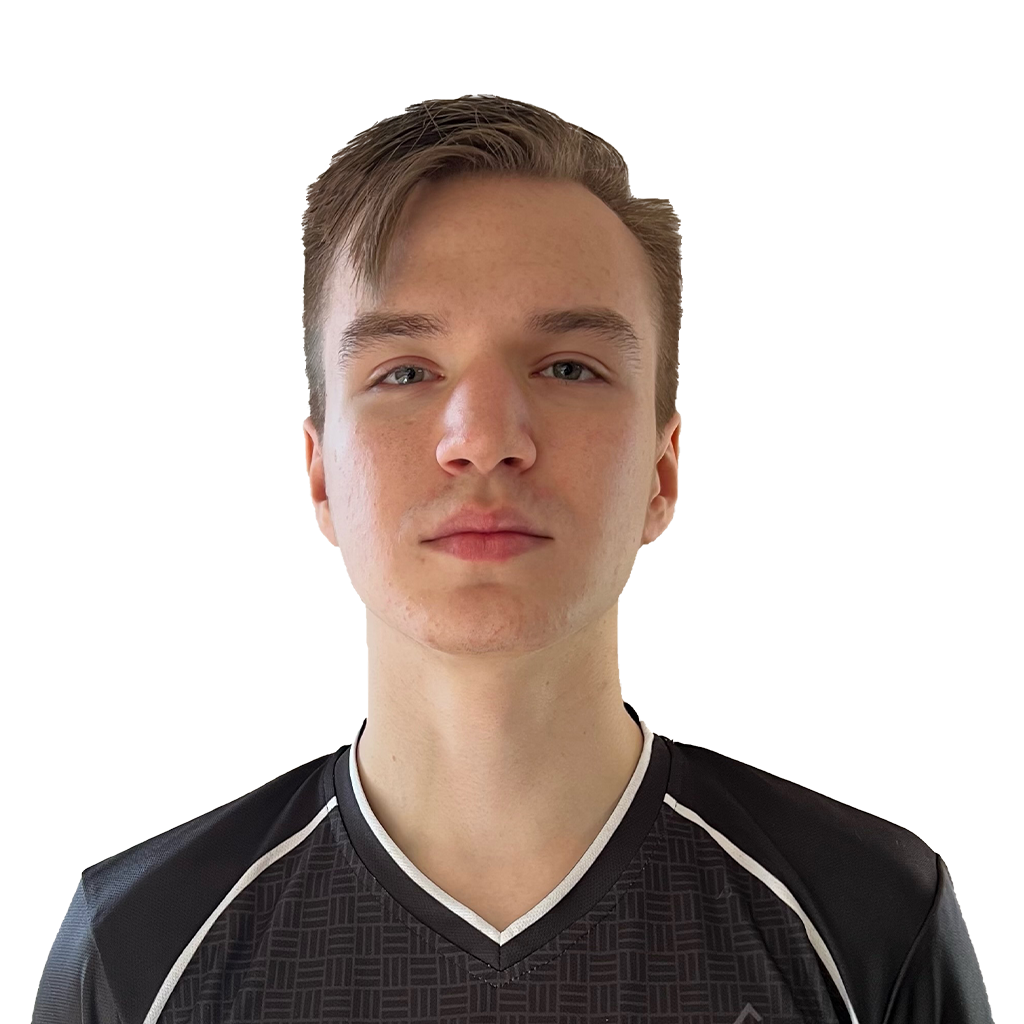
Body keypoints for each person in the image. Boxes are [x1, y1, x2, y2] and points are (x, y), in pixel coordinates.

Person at [33, 95, 993, 1024]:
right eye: (405, 371)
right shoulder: (143, 945)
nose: (485, 438)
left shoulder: (869, 919)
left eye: (568, 367)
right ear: (320, 475)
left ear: (661, 472)